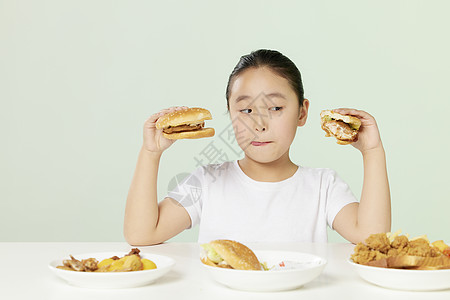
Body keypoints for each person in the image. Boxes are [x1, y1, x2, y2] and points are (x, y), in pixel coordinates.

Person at [124, 49, 391, 245]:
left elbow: (372, 238)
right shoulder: (207, 181)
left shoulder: (323, 185)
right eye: (246, 109)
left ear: (302, 112)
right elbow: (142, 234)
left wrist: (372, 152)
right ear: (230, 113)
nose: (259, 124)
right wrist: (151, 153)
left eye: (275, 108)